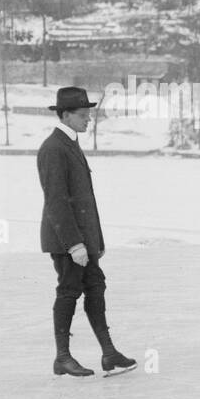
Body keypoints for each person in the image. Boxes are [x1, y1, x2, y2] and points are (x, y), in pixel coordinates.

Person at [37, 86, 136, 377]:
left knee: (95, 287)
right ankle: (62, 357)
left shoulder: (70, 143)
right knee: (69, 291)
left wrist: (96, 242)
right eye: (83, 115)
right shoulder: (53, 148)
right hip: (66, 240)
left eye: (88, 114)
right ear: (65, 115)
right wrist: (74, 245)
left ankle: (109, 353)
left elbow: (85, 200)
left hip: (84, 239)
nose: (88, 120)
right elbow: (56, 200)